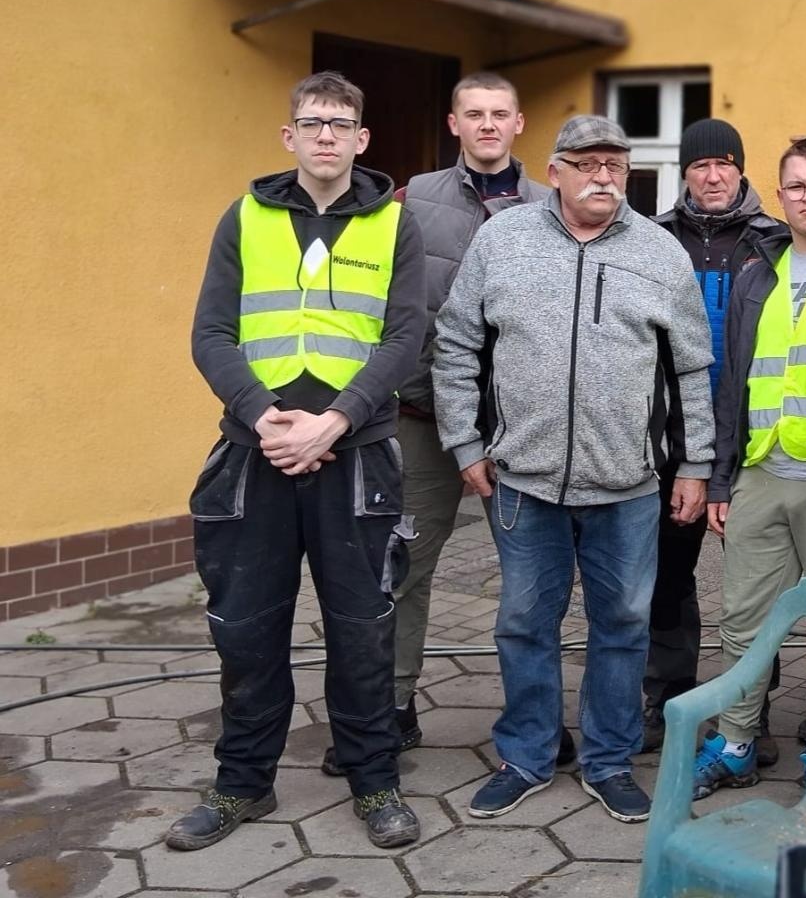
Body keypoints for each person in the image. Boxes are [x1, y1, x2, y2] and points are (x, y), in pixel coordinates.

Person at [432, 115, 714, 824]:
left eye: (615, 165)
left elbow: (692, 368)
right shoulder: (503, 240)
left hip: (629, 486)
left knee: (622, 624)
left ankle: (610, 760)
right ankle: (526, 754)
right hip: (524, 482)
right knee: (525, 622)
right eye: (586, 163)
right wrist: (465, 443)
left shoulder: (660, 252)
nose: (602, 177)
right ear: (554, 171)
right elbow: (457, 340)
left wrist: (695, 464)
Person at [173, 71, 425, 851]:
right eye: (312, 121)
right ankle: (242, 784)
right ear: (289, 135)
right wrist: (263, 416)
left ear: (361, 139)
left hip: (357, 458)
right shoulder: (243, 219)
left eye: (341, 122)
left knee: (363, 627)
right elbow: (210, 333)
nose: (326, 135)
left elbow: (404, 337)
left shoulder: (394, 225)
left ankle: (373, 779)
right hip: (257, 456)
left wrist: (335, 422)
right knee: (246, 629)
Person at [318, 71, 565, 778]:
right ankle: (388, 710)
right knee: (403, 567)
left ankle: (536, 716)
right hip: (424, 419)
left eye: (500, 114)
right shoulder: (410, 202)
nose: (487, 125)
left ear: (520, 123)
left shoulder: (552, 205)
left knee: (534, 580)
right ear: (453, 123)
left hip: (524, 428)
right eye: (474, 114)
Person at [692, 138, 806, 799]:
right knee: (742, 618)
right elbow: (734, 379)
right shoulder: (757, 273)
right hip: (760, 475)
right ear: (781, 192)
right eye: (796, 187)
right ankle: (736, 743)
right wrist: (720, 477)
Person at [644, 118, 784, 758]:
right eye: (701, 165)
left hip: (753, 436)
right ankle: (664, 701)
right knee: (667, 578)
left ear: (741, 169)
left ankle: (747, 716)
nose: (714, 174)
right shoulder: (652, 240)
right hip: (668, 438)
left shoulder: (774, 242)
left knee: (755, 585)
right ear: (685, 173)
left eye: (725, 163)